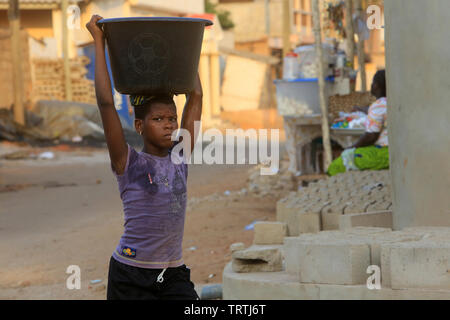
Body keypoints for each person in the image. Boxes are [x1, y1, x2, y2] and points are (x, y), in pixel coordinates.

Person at [86, 14, 203, 300]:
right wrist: (98, 40)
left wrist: (186, 45)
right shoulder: (128, 162)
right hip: (130, 275)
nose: (169, 124)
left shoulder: (180, 156)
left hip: (173, 275)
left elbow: (196, 96)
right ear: (139, 126)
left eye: (172, 118)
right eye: (158, 119)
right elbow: (105, 103)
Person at [327, 70, 389, 176]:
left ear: (377, 86)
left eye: (373, 82)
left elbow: (371, 136)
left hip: (383, 153)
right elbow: (374, 111)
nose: (371, 85)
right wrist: (360, 109)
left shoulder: (377, 106)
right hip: (393, 150)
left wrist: (352, 147)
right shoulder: (389, 102)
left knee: (339, 163)